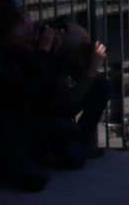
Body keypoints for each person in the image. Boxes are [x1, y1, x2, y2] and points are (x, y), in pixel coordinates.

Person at [0, 9, 84, 192]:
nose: (36, 36)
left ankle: (30, 154)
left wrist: (53, 53)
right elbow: (28, 88)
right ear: (14, 38)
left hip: (22, 126)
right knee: (37, 179)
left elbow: (48, 82)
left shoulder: (22, 51)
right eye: (31, 32)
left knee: (73, 139)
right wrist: (43, 52)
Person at [34, 21, 112, 158]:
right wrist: (92, 69)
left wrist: (88, 61)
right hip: (45, 117)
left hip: (58, 107)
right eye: (82, 48)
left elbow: (84, 83)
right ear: (71, 52)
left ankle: (82, 141)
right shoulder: (50, 60)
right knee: (76, 157)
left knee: (103, 86)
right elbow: (71, 98)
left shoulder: (67, 56)